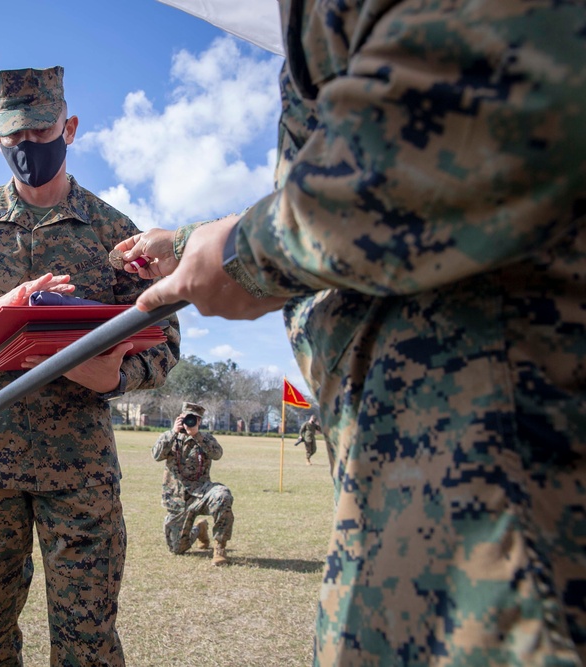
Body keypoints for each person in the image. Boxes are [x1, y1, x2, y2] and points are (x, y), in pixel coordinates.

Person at [114, 2, 586, 664]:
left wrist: (247, 258)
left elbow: (465, 114)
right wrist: (198, 242)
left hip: (508, 493)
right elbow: (351, 166)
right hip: (409, 482)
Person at [0, 65, 180, 666]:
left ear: (69, 127)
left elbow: (164, 338)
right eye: (14, 138)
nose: (28, 147)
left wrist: (119, 377)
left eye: (40, 131)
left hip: (77, 470)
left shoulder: (113, 233)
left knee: (88, 643)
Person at [152, 402, 233, 566]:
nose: (189, 422)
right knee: (177, 548)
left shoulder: (205, 438)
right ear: (179, 419)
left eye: (193, 419)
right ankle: (199, 530)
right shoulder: (170, 437)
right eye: (186, 418)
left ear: (199, 421)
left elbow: (217, 454)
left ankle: (220, 548)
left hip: (201, 493)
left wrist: (197, 435)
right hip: (178, 498)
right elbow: (156, 455)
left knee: (223, 495)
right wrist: (174, 432)